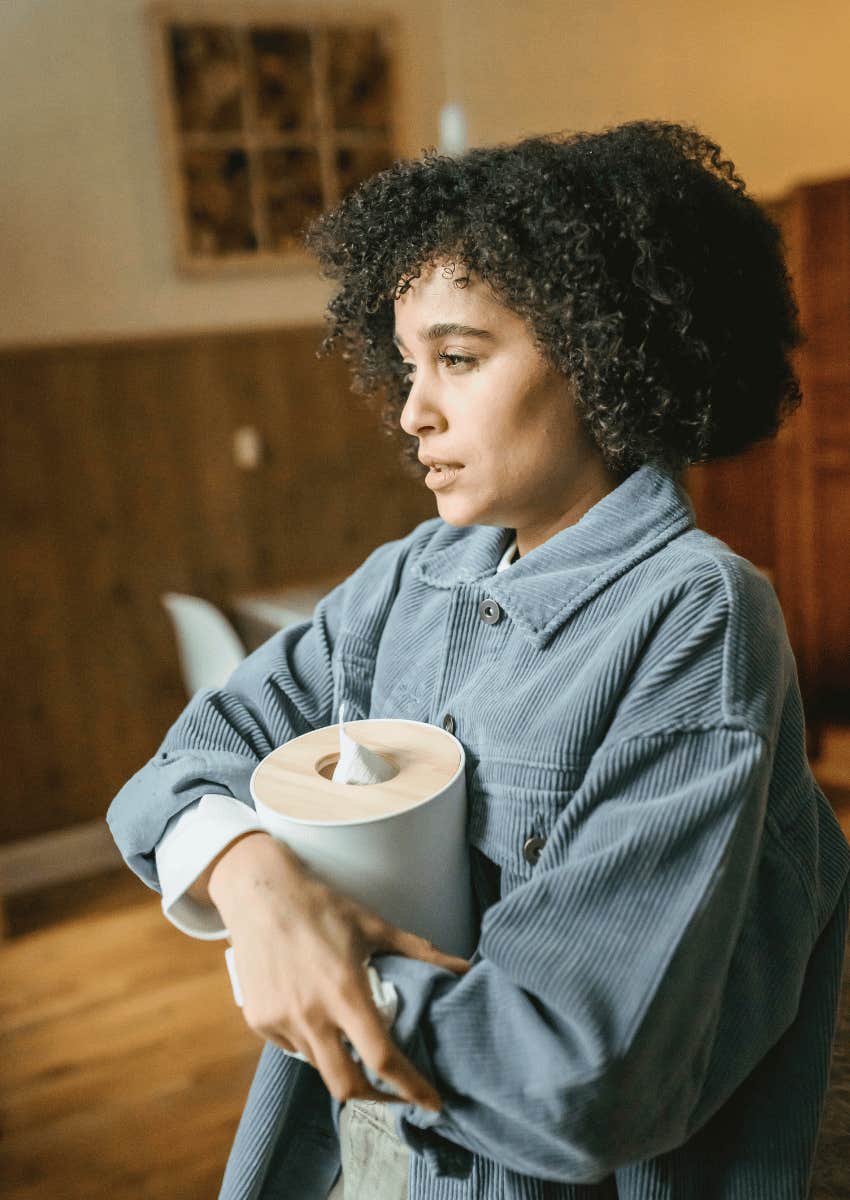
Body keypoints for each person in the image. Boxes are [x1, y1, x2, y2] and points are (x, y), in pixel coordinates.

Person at [107, 120, 850, 1199]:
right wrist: (259, 889)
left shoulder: (698, 617)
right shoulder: (412, 575)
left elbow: (583, 1079)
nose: (412, 412)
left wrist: (335, 977)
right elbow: (182, 763)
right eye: (407, 365)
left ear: (605, 355)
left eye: (457, 359)